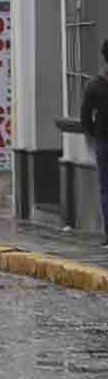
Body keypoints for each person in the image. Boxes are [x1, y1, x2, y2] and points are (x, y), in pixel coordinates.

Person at [80, 39, 108, 247]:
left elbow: (84, 117)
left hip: (103, 139)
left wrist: (94, 133)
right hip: (102, 139)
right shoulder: (94, 85)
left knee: (105, 187)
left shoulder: (94, 85)